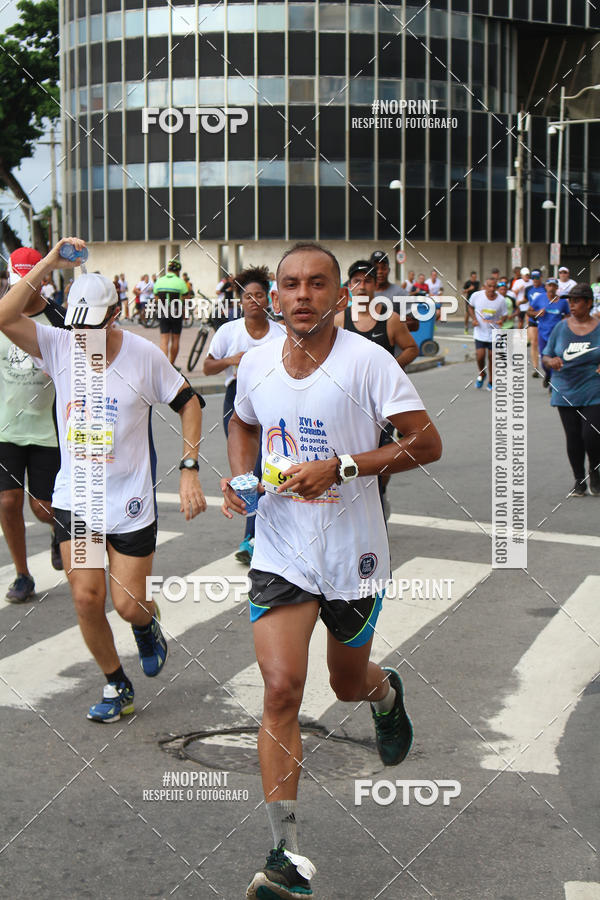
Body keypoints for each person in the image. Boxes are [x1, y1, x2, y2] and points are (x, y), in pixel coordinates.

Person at [220, 241, 442, 899]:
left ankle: (385, 694)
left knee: (345, 685)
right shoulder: (258, 361)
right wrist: (240, 474)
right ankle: (284, 854)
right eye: (291, 284)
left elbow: (426, 444)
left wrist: (343, 466)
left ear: (339, 296)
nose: (301, 295)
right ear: (275, 294)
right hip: (283, 548)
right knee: (283, 688)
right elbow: (241, 419)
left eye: (317, 284)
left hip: (354, 552)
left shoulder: (369, 364)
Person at [0, 237, 208, 720]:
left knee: (129, 604)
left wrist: (190, 468)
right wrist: (50, 260)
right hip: (79, 499)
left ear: (114, 317)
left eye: (92, 329)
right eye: (76, 329)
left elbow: (190, 403)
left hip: (129, 500)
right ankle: (117, 684)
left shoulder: (143, 356)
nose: (82, 339)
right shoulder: (57, 344)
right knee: (87, 598)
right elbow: (6, 315)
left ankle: (145, 625)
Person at [203, 265, 283, 564]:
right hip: (236, 398)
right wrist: (230, 360)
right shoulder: (229, 331)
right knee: (248, 470)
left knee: (266, 465)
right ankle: (254, 533)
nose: (253, 301)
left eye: (259, 295)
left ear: (268, 299)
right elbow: (207, 367)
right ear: (241, 301)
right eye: (247, 296)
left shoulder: (280, 333)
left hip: (271, 398)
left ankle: (253, 536)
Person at [0, 248, 66, 602]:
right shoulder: (1, 313)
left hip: (49, 430)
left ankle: (59, 531)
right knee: (7, 502)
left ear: (43, 277)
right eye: (17, 281)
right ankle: (23, 575)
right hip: (5, 428)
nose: (24, 289)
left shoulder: (59, 319)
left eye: (31, 280)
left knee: (42, 507)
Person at [335, 259, 419, 520]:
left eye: (367, 281)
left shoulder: (390, 319)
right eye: (356, 281)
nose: (361, 286)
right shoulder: (338, 320)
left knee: (383, 457)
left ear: (375, 286)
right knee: (347, 456)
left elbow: (412, 348)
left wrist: (388, 367)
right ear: (349, 287)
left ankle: (379, 497)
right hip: (347, 403)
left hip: (382, 404)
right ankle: (351, 509)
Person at [542, 283, 600, 497]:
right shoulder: (561, 327)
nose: (572, 305)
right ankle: (579, 480)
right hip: (565, 389)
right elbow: (546, 355)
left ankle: (595, 471)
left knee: (591, 436)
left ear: (588, 303)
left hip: (594, 388)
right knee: (573, 437)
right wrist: (552, 361)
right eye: (570, 301)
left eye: (576, 301)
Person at [528, 277, 569, 387]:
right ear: (546, 287)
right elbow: (529, 312)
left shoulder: (563, 302)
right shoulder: (539, 298)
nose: (551, 288)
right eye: (549, 285)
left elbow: (568, 315)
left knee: (556, 358)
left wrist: (565, 321)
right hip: (543, 333)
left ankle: (553, 383)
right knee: (544, 361)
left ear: (557, 288)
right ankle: (548, 374)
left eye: (553, 286)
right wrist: (537, 312)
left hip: (557, 335)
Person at [469, 277, 507, 390]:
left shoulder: (501, 300)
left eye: (494, 287)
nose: (491, 289)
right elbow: (470, 307)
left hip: (494, 333)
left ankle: (491, 381)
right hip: (480, 332)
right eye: (489, 286)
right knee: (480, 356)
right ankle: (482, 374)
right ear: (485, 286)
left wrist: (502, 320)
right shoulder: (477, 296)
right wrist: (474, 319)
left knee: (492, 357)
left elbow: (504, 314)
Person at [153, 259, 189, 367]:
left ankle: (164, 366)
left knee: (164, 339)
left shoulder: (159, 281)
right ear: (178, 271)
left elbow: (156, 297)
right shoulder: (181, 282)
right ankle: (171, 364)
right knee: (175, 339)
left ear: (168, 269)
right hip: (176, 311)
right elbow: (186, 298)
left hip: (163, 311)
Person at [525, 269, 545, 377]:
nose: (535, 280)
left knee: (544, 343)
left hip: (544, 319)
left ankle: (545, 364)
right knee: (533, 342)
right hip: (533, 319)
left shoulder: (545, 288)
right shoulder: (528, 289)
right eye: (533, 278)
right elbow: (527, 303)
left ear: (541, 277)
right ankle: (535, 367)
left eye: (537, 277)